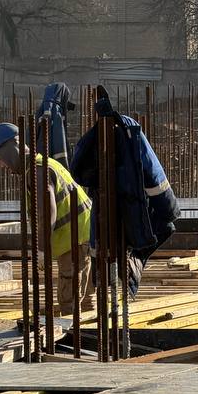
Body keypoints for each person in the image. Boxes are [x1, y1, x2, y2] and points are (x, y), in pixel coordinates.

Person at [69, 88, 179, 299]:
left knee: (110, 260)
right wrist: (167, 209)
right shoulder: (125, 131)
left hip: (112, 216)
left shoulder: (105, 135)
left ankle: (114, 298)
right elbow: (153, 173)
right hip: (126, 211)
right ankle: (115, 301)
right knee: (117, 258)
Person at [0, 122, 91, 315]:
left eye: (0, 158)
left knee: (68, 301)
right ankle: (90, 333)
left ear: (10, 150)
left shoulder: (37, 171)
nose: (1, 165)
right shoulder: (41, 164)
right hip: (82, 234)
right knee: (85, 300)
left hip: (75, 239)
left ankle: (76, 339)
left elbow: (47, 211)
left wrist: (42, 249)